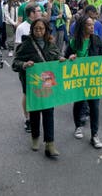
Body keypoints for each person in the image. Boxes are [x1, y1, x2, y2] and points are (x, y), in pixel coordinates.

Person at [13, 19, 65, 158]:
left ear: (46, 30)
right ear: (32, 30)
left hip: (48, 83)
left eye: (41, 29)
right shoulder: (26, 45)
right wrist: (24, 64)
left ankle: (50, 144)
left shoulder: (50, 44)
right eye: (36, 29)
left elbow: (58, 55)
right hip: (33, 84)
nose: (39, 31)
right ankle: (35, 138)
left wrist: (61, 58)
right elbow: (15, 63)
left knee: (49, 113)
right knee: (35, 112)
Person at [65, 14, 102, 149]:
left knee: (94, 107)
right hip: (79, 80)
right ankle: (78, 126)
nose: (92, 27)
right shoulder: (74, 42)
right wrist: (70, 58)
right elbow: (65, 59)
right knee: (78, 103)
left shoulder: (96, 39)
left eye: (93, 25)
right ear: (82, 27)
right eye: (89, 25)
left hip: (94, 80)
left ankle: (95, 135)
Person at [14, 3, 43, 132]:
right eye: (38, 11)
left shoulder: (42, 24)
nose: (40, 12)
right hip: (27, 67)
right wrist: (24, 64)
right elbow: (18, 50)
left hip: (41, 68)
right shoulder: (22, 28)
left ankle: (36, 116)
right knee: (27, 92)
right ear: (31, 13)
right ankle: (28, 118)